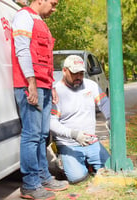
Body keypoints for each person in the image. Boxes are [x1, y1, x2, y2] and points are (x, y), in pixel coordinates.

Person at [11, 0, 68, 199]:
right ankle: (29, 184)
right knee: (32, 135)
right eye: (52, 4)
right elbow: (22, 51)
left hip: (43, 84)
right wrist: (31, 83)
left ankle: (43, 176)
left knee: (43, 135)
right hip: (30, 84)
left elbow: (45, 57)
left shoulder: (40, 21)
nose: (54, 8)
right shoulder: (23, 17)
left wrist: (50, 85)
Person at [50, 55, 110, 184]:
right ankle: (62, 162)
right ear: (64, 71)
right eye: (74, 73)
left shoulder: (91, 85)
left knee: (110, 170)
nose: (78, 77)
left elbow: (105, 103)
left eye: (81, 73)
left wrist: (110, 119)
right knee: (78, 179)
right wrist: (74, 134)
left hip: (91, 141)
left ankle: (88, 162)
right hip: (69, 144)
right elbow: (51, 122)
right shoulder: (56, 92)